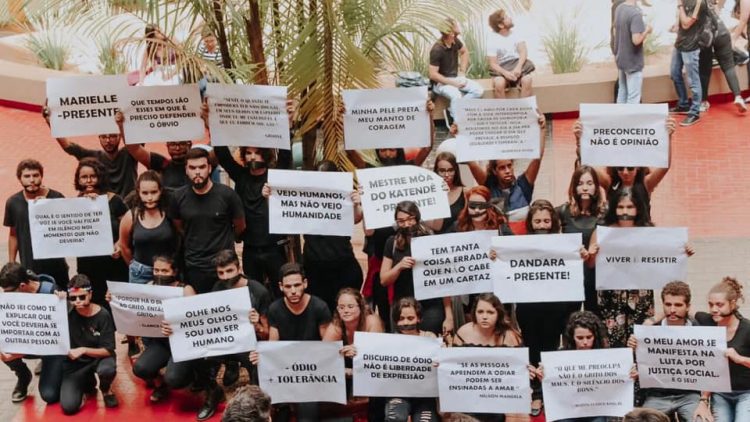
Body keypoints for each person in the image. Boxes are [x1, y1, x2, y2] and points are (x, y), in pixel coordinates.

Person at [587, 188, 693, 347]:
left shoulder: (648, 231)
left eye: (630, 207)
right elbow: (590, 264)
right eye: (620, 207)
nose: (625, 211)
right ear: (614, 208)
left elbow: (664, 256)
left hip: (640, 295)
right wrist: (592, 254)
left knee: (641, 340)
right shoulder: (602, 232)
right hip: (611, 296)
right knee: (612, 343)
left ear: (638, 208)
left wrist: (682, 252)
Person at [263, 160, 364, 311]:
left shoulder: (344, 194)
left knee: (345, 310)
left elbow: (356, 218)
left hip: (343, 264)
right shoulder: (305, 195)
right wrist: (270, 197)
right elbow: (283, 212)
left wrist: (356, 204)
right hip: (314, 267)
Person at [255, 262, 331, 421]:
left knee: (307, 417)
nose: (293, 291)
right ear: (281, 287)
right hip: (286, 368)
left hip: (311, 370)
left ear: (305, 283)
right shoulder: (275, 309)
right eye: (288, 287)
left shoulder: (319, 307)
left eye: (297, 285)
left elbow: (327, 346)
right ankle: (281, 406)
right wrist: (262, 354)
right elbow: (273, 344)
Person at [626, 281, 709, 422]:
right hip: (657, 395)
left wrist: (703, 401)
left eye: (678, 305)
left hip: (689, 395)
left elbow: (709, 368)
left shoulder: (699, 330)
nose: (672, 310)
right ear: (662, 305)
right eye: (668, 304)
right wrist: (632, 348)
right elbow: (637, 366)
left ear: (688, 306)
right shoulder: (649, 331)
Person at [170, 147, 245, 293]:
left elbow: (240, 226)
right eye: (192, 168)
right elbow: (179, 227)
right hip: (195, 267)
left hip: (224, 266)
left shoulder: (227, 195)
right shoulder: (177, 197)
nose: (197, 172)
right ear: (186, 170)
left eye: (202, 167)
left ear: (209, 168)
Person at [125, 255, 196, 403]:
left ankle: (193, 375)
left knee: (174, 379)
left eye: (164, 271)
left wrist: (176, 326)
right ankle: (160, 385)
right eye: (156, 270)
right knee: (140, 368)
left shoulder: (185, 290)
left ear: (174, 272)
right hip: (161, 343)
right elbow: (132, 306)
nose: (159, 274)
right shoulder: (149, 286)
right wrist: (113, 298)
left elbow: (197, 320)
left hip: (182, 344)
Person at [380, 201, 453, 336]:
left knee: (430, 343)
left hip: (431, 307)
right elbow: (384, 280)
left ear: (417, 218)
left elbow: (443, 280)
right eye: (401, 221)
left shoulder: (431, 241)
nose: (406, 224)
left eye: (410, 219)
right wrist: (399, 267)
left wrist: (449, 316)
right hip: (403, 308)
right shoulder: (392, 243)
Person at [451, 293, 525, 422]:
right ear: (474, 313)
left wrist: (526, 370)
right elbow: (453, 366)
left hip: (497, 395)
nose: (484, 316)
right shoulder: (463, 332)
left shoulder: (510, 336)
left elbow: (518, 370)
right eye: (480, 312)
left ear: (498, 314)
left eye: (490, 312)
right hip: (468, 394)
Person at [465, 113, 547, 230]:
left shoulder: (523, 185)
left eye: (509, 166)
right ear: (494, 171)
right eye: (502, 168)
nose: (507, 171)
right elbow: (471, 162)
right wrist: (458, 133)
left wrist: (542, 129)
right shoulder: (488, 186)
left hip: (521, 238)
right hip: (496, 238)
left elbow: (537, 158)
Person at [0, 263, 66, 404]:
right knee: (4, 346)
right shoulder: (10, 299)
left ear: (23, 286)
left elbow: (63, 336)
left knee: (49, 394)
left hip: (52, 347)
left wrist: (63, 302)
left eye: (9, 292)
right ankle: (23, 376)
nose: (6, 295)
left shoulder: (51, 293)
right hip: (27, 342)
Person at [43, 107, 138, 199]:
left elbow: (136, 141)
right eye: (104, 137)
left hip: (129, 205)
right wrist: (50, 122)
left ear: (120, 136)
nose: (108, 140)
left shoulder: (131, 152)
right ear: (99, 138)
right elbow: (68, 146)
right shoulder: (93, 156)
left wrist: (121, 125)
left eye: (112, 136)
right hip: (101, 205)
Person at [210, 249, 272, 390]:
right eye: (221, 273)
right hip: (227, 339)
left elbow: (267, 334)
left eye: (229, 271)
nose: (225, 277)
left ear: (239, 268)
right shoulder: (218, 288)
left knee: (258, 377)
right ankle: (230, 366)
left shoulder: (258, 291)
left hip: (251, 343)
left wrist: (257, 325)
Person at [4, 159, 69, 288]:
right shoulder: (13, 202)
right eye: (27, 176)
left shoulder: (56, 198)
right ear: (20, 179)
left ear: (41, 176)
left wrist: (48, 206)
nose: (32, 180)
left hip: (56, 265)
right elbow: (13, 234)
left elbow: (67, 229)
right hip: (29, 266)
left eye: (35, 175)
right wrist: (12, 262)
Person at [537, 311, 612, 422]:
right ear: (572, 338)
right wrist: (543, 377)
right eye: (580, 338)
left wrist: (629, 376)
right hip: (567, 410)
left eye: (589, 337)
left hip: (595, 410)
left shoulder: (606, 357)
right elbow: (552, 388)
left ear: (595, 337)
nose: (585, 342)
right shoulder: (559, 357)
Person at [323, 288, 385, 420]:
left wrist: (359, 353)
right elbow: (323, 356)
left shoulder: (372, 321)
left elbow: (377, 356)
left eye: (350, 306)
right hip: (347, 372)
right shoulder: (336, 326)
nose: (345, 311)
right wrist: (344, 367)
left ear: (360, 307)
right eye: (341, 307)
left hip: (373, 371)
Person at [73, 158, 128, 306]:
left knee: (115, 303)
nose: (88, 181)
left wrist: (119, 244)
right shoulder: (74, 204)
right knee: (93, 301)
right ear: (78, 179)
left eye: (93, 176)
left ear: (100, 177)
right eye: (84, 177)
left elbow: (128, 227)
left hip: (113, 263)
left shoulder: (115, 201)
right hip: (88, 264)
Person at [694, 277, 750, 421]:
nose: (714, 309)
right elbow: (679, 312)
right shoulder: (706, 321)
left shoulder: (747, 328)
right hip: (720, 392)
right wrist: (650, 321)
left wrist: (740, 359)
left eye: (719, 305)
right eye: (711, 304)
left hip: (746, 392)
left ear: (733, 304)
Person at [61, 274, 118, 414]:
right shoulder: (66, 310)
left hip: (99, 358)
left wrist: (83, 350)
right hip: (76, 363)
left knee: (107, 369)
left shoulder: (103, 315)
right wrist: (57, 298)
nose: (77, 301)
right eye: (73, 298)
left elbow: (108, 350)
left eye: (82, 297)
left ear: (90, 294)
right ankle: (87, 384)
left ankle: (106, 389)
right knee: (69, 407)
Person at [557, 165, 607, 313]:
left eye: (589, 183)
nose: (585, 188)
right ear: (574, 188)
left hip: (596, 277)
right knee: (569, 319)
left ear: (596, 187)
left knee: (595, 318)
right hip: (571, 278)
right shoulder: (562, 211)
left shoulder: (605, 213)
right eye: (580, 184)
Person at [118, 171, 178, 285]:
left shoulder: (169, 213)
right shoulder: (131, 216)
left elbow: (180, 235)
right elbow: (123, 246)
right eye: (145, 193)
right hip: (140, 272)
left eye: (154, 192)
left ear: (160, 191)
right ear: (138, 192)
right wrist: (133, 265)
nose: (149, 197)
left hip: (166, 271)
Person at [385, 297, 439, 422]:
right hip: (398, 393)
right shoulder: (388, 341)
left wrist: (439, 360)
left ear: (419, 318)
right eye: (401, 318)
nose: (405, 323)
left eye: (410, 318)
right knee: (395, 419)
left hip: (424, 394)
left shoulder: (429, 337)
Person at [429, 18, 484, 122]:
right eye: (456, 25)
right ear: (450, 31)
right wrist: (453, 83)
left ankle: (452, 110)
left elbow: (464, 52)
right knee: (456, 95)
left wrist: (462, 72)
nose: (458, 26)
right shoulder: (437, 49)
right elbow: (433, 75)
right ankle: (457, 124)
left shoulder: (455, 41)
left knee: (478, 91)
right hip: (440, 83)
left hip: (454, 78)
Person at [698, 1, 747, 113]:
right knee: (729, 66)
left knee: (704, 70)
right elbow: (716, 7)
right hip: (721, 30)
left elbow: (687, 23)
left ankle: (703, 102)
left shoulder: (688, 3)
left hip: (706, 34)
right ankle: (738, 96)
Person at [670, 0, 709, 127]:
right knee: (674, 73)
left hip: (691, 46)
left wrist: (680, 5)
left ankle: (695, 112)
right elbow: (681, 22)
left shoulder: (699, 3)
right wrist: (675, 25)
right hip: (680, 43)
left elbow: (686, 24)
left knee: (693, 80)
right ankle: (683, 104)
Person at [486, 9, 534, 98]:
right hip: (502, 67)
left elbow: (523, 51)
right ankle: (504, 108)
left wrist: (518, 68)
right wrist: (505, 73)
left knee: (527, 80)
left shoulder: (517, 33)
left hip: (517, 64)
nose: (510, 18)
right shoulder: (492, 39)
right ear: (500, 25)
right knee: (499, 83)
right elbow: (493, 63)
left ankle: (524, 107)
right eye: (506, 17)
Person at [613, 0, 652, 104]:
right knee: (633, 98)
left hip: (621, 59)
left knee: (622, 93)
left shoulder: (619, 8)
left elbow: (616, 32)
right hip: (633, 63)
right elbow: (636, 40)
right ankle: (631, 115)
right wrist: (647, 30)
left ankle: (620, 114)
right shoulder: (635, 14)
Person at [429, 152, 469, 234]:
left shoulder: (465, 192)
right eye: (442, 171)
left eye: (451, 170)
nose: (447, 175)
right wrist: (441, 195)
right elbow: (436, 227)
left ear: (456, 171)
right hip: (438, 239)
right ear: (436, 171)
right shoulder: (430, 194)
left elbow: (467, 222)